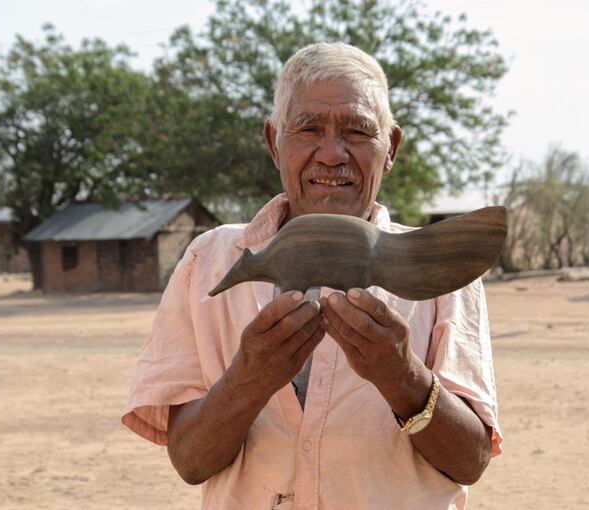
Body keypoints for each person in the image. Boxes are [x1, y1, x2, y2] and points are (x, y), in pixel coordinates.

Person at [122, 42, 502, 510]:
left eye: (359, 131)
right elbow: (190, 463)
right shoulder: (209, 260)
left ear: (391, 149)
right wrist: (251, 377)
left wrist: (400, 374)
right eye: (308, 129)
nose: (332, 154)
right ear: (273, 143)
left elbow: (470, 462)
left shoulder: (443, 272)